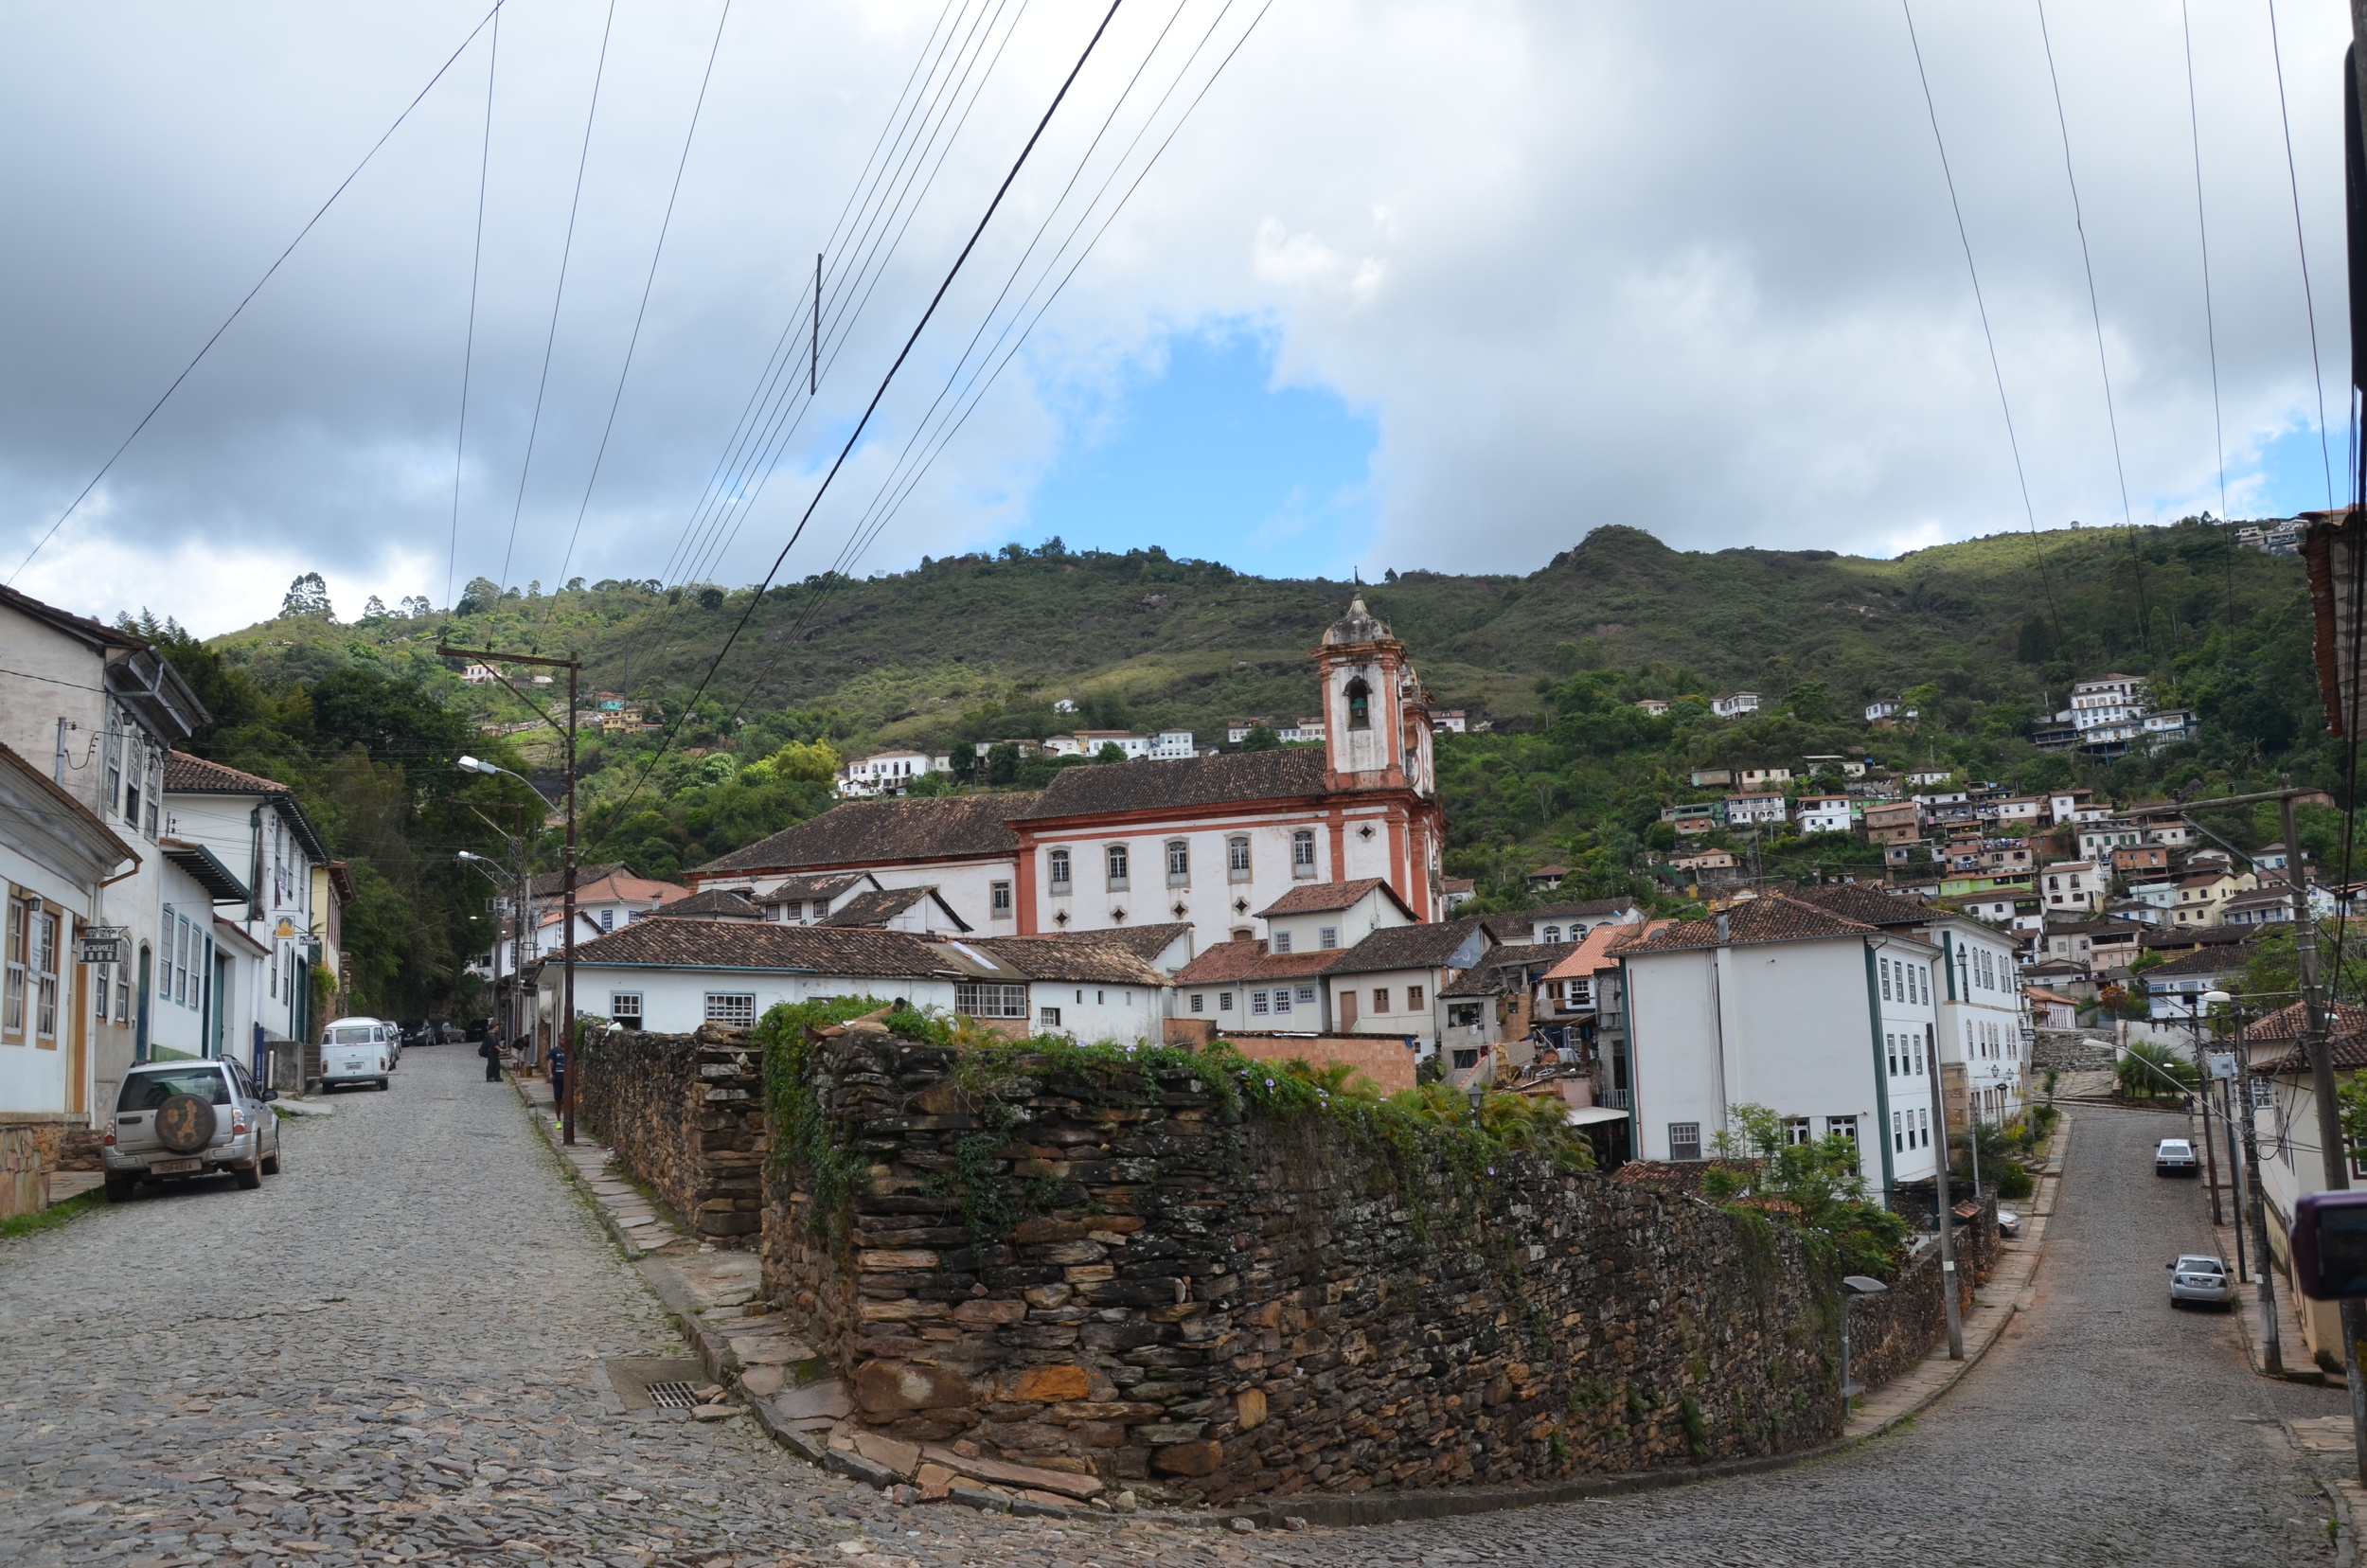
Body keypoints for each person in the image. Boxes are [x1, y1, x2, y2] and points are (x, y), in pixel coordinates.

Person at [547, 1038, 569, 1118]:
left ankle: (567, 1117)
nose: (564, 1041)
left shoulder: (570, 1051)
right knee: (557, 1100)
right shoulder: (554, 1051)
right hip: (557, 1078)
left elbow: (574, 1065)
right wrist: (550, 1074)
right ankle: (558, 1119)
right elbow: (550, 1063)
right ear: (559, 1040)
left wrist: (575, 1076)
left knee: (568, 1099)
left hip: (568, 1079)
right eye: (562, 1039)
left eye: (565, 1039)